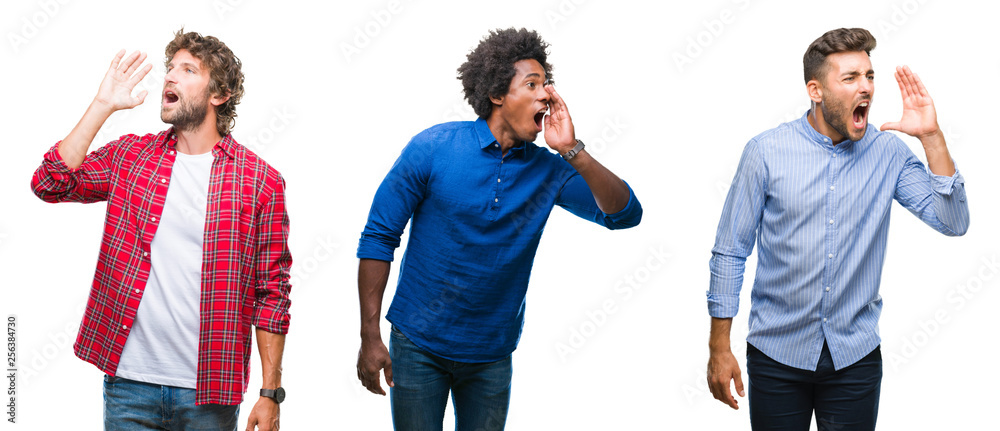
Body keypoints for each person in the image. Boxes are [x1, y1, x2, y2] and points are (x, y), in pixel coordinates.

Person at [355, 27, 642, 430]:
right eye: (532, 83)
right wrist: (370, 336)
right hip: (418, 344)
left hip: (491, 354)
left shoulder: (550, 170)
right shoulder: (434, 147)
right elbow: (379, 236)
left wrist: (573, 151)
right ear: (496, 94)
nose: (546, 94)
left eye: (547, 84)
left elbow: (625, 214)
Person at [705, 28, 969, 430]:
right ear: (816, 90)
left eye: (869, 76)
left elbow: (954, 223)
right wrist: (718, 346)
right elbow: (730, 251)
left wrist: (931, 138)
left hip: (855, 358)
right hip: (777, 354)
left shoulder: (888, 153)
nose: (866, 88)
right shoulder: (766, 153)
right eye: (850, 78)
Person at [30, 29, 291, 431]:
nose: (170, 77)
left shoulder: (259, 181)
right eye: (170, 68)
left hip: (209, 392)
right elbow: (51, 183)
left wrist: (269, 392)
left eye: (188, 70)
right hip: (129, 385)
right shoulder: (132, 157)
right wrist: (103, 105)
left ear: (217, 95)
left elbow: (272, 292)